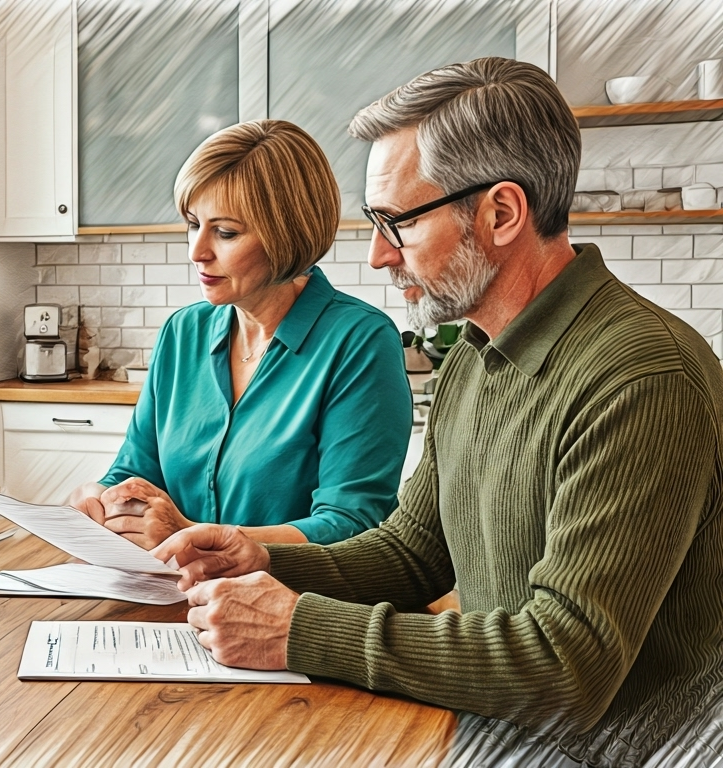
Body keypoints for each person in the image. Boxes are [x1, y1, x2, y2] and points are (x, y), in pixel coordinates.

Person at [153, 57, 723, 767]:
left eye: (398, 222)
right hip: (494, 726)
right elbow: (413, 553)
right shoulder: (475, 358)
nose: (377, 255)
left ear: (502, 213)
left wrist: (299, 629)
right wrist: (263, 559)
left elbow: (567, 664)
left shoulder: (641, 376)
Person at [67, 120, 412, 550]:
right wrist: (103, 498)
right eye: (193, 224)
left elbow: (351, 524)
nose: (196, 251)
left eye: (225, 232)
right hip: (171, 585)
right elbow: (137, 473)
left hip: (292, 592)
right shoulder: (182, 333)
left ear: (287, 233)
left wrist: (192, 536)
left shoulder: (359, 340)